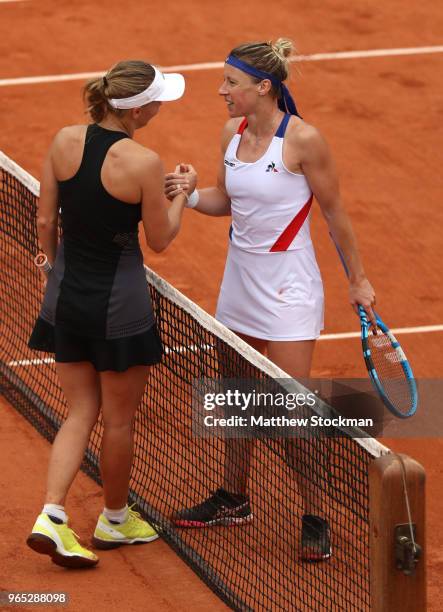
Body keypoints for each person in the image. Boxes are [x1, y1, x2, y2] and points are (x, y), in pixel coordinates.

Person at [164, 39, 376, 561]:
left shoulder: (303, 141)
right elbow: (224, 201)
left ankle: (314, 515)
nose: (221, 92)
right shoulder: (231, 134)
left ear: (263, 87)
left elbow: (335, 215)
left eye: (230, 84)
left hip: (289, 289)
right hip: (239, 281)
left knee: (291, 408)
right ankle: (235, 497)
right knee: (237, 396)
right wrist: (190, 194)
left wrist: (358, 281)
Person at [26, 60, 188, 568]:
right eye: (159, 99)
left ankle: (52, 515)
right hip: (119, 308)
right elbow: (159, 241)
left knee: (79, 412)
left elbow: (46, 218)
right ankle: (114, 521)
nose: (163, 105)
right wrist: (179, 193)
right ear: (137, 109)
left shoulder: (64, 139)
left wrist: (51, 266)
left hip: (66, 298)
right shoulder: (143, 161)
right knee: (118, 421)